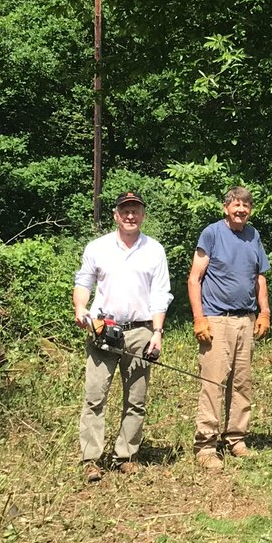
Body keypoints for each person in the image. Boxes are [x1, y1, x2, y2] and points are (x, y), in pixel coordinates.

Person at [73, 191, 172, 482]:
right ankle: (91, 459)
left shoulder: (155, 250)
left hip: (141, 330)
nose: (130, 215)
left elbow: (160, 294)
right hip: (103, 328)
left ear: (143, 215)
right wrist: (80, 308)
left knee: (136, 400)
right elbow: (83, 281)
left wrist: (157, 333)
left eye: (136, 210)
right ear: (115, 215)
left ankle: (125, 456)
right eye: (125, 210)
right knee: (95, 397)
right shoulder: (97, 247)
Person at [187, 186, 271, 470]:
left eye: (246, 206)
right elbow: (194, 278)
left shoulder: (253, 235)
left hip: (246, 320)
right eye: (236, 205)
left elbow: (259, 277)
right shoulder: (211, 233)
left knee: (242, 382)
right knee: (213, 382)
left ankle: (236, 439)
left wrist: (264, 313)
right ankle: (207, 445)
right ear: (226, 207)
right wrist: (199, 318)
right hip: (216, 319)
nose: (241, 210)